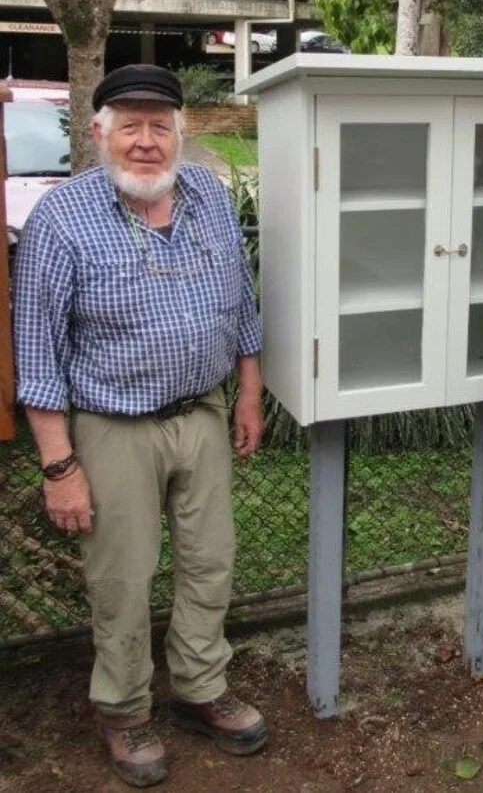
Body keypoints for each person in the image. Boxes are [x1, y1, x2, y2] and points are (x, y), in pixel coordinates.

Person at [13, 65, 267, 788]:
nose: (147, 142)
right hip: (111, 424)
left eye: (160, 126)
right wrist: (60, 467)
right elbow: (37, 353)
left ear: (180, 134)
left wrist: (248, 395)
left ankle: (199, 686)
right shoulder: (62, 220)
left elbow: (242, 306)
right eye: (131, 125)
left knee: (211, 559)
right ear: (100, 134)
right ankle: (124, 711)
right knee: (122, 576)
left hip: (204, 414)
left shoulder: (210, 200)